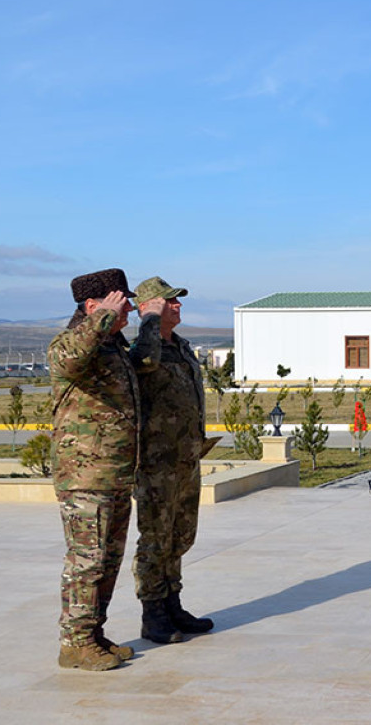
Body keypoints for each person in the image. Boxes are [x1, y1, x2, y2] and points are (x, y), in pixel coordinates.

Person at [49, 268, 164, 671]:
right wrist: (101, 318)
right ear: (93, 306)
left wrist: (151, 320)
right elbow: (68, 358)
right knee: (87, 560)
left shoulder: (112, 348)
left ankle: (93, 633)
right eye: (121, 303)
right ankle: (74, 642)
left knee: (108, 560)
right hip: (85, 476)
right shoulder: (71, 344)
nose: (128, 309)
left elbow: (146, 361)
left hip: (115, 474)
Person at [131, 276, 215, 644]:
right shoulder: (143, 349)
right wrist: (148, 320)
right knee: (155, 538)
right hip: (156, 463)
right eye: (169, 302)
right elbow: (144, 361)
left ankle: (172, 603)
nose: (177, 306)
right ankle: (153, 615)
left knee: (180, 536)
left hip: (186, 460)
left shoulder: (181, 348)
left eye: (178, 301)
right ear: (148, 306)